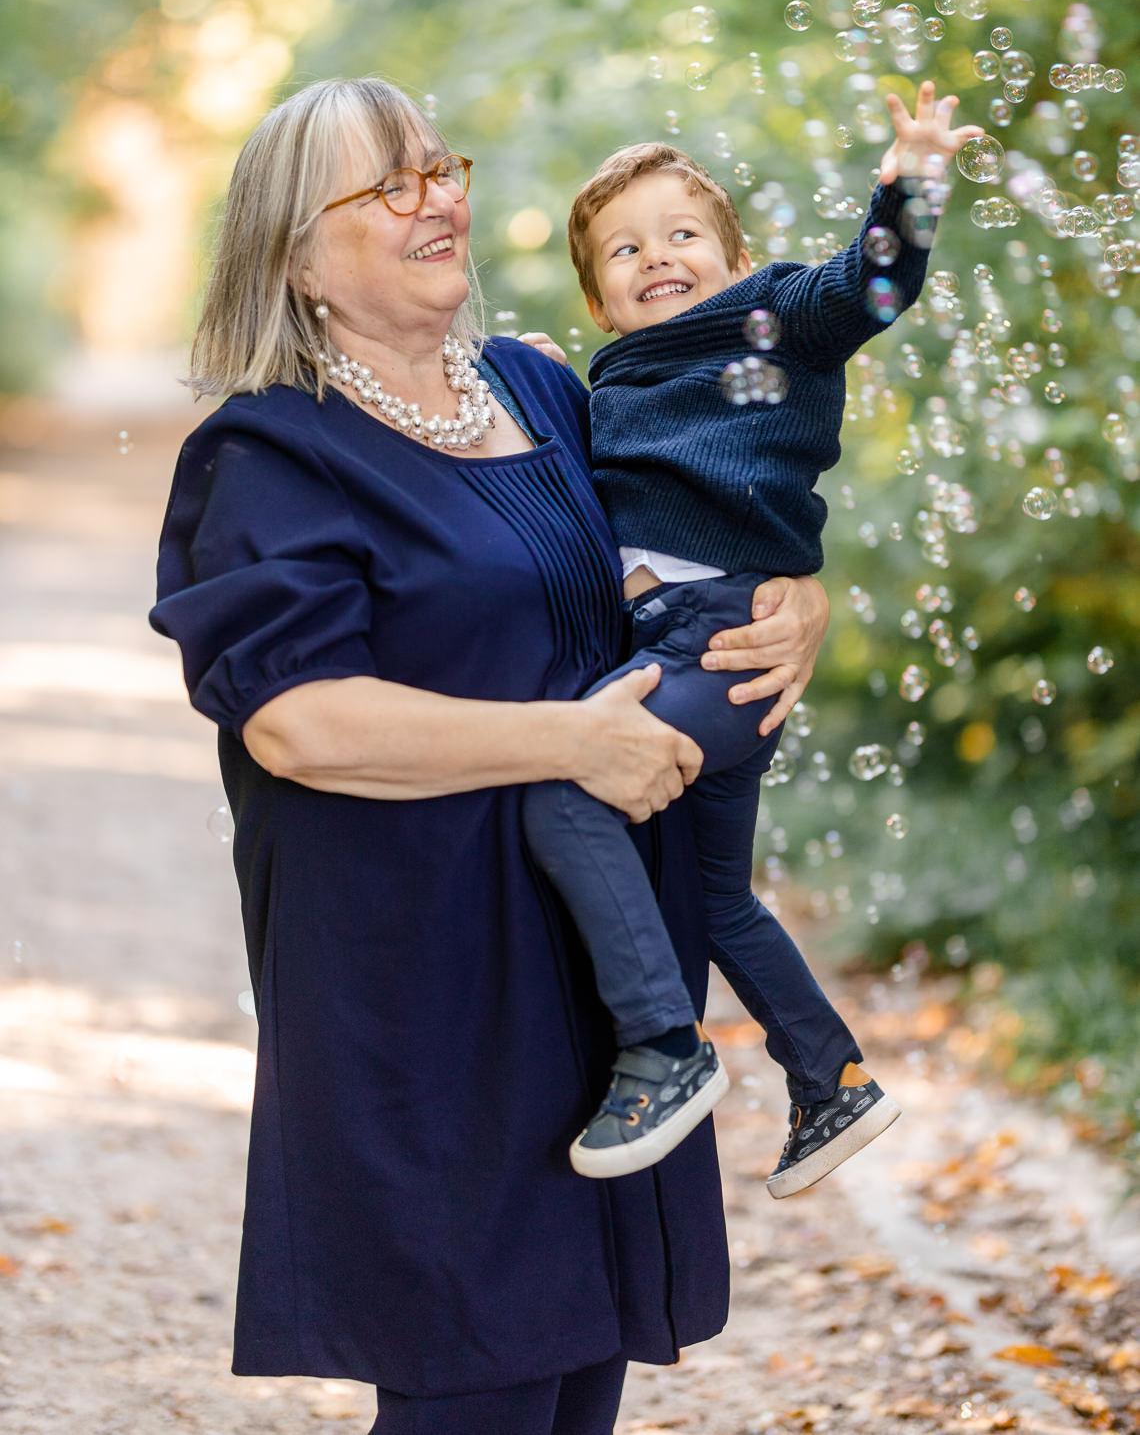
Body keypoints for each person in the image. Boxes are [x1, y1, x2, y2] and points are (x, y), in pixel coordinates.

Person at [147, 76, 833, 1435]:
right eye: (389, 183)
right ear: (296, 253)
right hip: (427, 973)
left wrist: (796, 594)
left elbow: (694, 519)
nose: (439, 197)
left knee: (579, 1366)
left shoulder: (539, 385)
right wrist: (570, 740)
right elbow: (297, 720)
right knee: (475, 1376)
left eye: (440, 165)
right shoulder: (270, 451)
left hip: (603, 965)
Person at [518, 82, 982, 1196]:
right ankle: (832, 1084)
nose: (657, 256)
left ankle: (665, 1052)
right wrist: (525, 368)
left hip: (719, 642)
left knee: (566, 790)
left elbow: (870, 287)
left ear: (734, 261)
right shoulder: (613, 376)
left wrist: (908, 186)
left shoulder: (774, 317)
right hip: (671, 646)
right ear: (599, 303)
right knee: (716, 897)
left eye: (683, 234)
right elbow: (564, 473)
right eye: (624, 251)